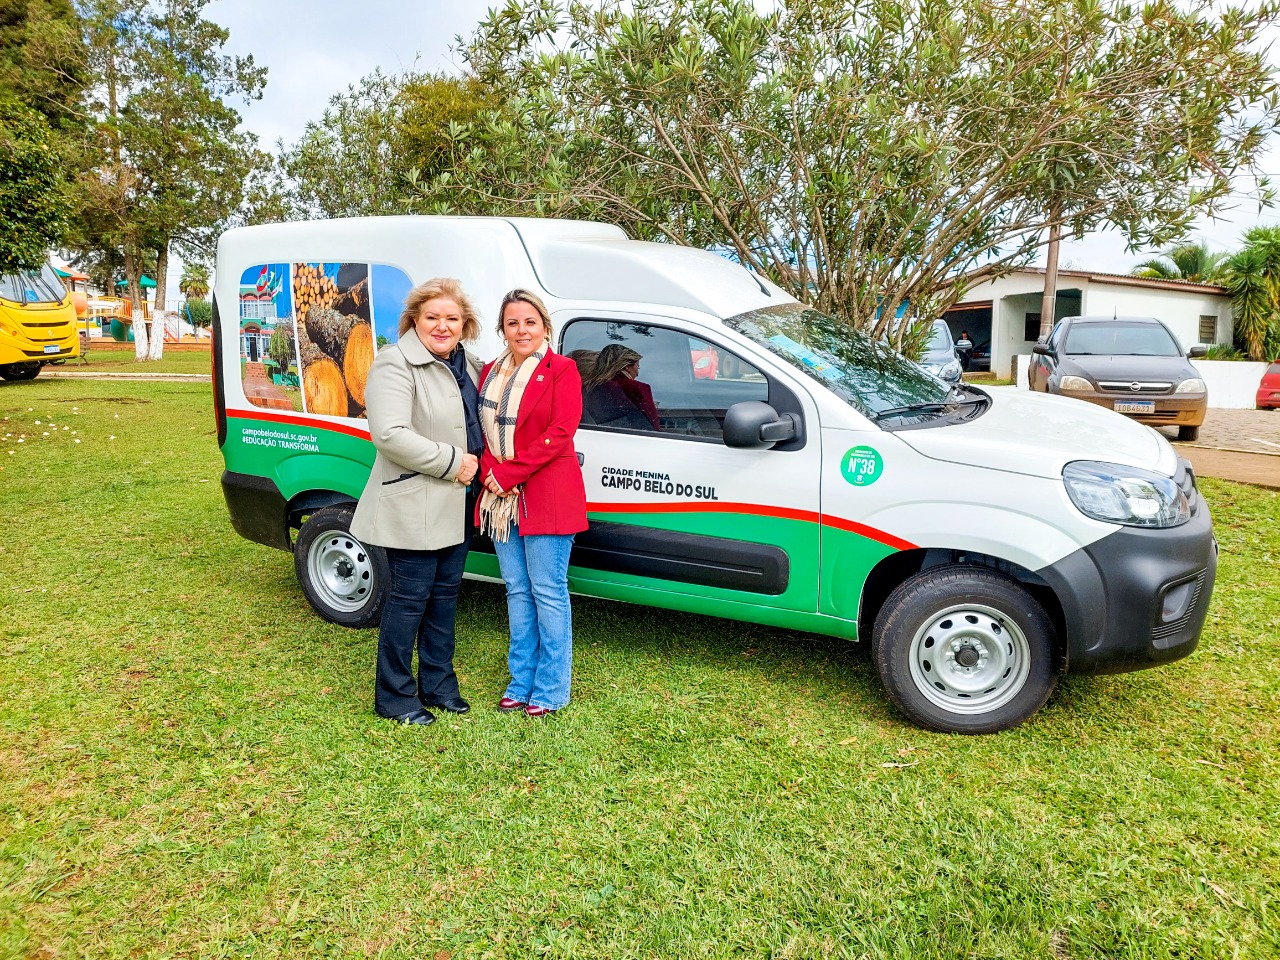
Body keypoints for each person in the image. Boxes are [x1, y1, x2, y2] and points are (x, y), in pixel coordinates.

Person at [351, 278, 483, 725]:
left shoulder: (469, 365)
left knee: (445, 597)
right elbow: (389, 435)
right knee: (409, 600)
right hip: (417, 502)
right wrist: (454, 463)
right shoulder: (395, 363)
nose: (442, 326)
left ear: (465, 325)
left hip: (459, 503)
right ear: (415, 320)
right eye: (433, 317)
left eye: (452, 318)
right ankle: (394, 697)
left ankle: (439, 685)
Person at [477, 289, 588, 718]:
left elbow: (561, 432)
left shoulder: (562, 370)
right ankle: (520, 680)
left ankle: (551, 688)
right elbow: (483, 432)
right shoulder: (490, 372)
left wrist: (505, 474)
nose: (521, 330)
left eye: (529, 322)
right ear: (502, 329)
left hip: (546, 495)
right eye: (512, 323)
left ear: (544, 326)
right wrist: (491, 469)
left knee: (547, 591)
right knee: (518, 591)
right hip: (501, 500)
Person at [583, 344, 661, 431]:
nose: (637, 373)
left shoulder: (587, 388)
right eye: (637, 367)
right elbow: (653, 427)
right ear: (627, 367)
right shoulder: (638, 388)